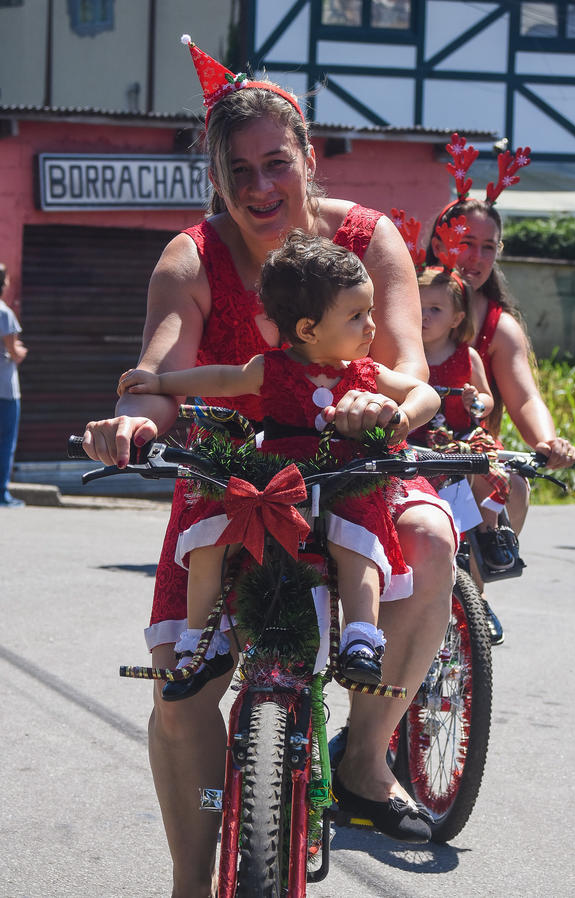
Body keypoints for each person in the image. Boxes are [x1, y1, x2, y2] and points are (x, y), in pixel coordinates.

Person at [83, 38, 457, 895]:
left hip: (353, 461)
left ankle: (364, 760)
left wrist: (384, 412)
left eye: (276, 164)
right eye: (238, 170)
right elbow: (159, 379)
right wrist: (129, 426)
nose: (259, 188)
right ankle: (190, 879)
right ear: (215, 175)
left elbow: (409, 373)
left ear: (309, 159)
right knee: (181, 695)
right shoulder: (192, 257)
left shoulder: (370, 241)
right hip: (233, 475)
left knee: (430, 538)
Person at [119, 230, 441, 696]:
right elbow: (219, 377)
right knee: (209, 532)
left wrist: (403, 416)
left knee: (358, 537)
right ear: (308, 329)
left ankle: (360, 640)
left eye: (370, 312)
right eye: (357, 316)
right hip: (279, 481)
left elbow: (424, 392)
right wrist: (159, 381)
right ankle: (199, 645)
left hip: (343, 478)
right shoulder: (270, 368)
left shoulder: (367, 373)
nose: (372, 327)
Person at [425, 136, 575, 642]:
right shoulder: (404, 303)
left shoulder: (498, 326)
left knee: (512, 485)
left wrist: (548, 442)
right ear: (439, 240)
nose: (475, 256)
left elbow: (524, 396)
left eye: (488, 247)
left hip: (467, 459)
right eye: (465, 242)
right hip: (404, 451)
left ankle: (473, 596)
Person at [413, 266, 515, 571]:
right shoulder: (406, 355)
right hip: (420, 439)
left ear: (457, 318)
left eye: (435, 309)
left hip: (461, 435)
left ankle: (488, 532)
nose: (424, 316)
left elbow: (487, 397)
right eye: (417, 308)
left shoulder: (466, 357)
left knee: (485, 464)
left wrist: (476, 402)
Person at [0, 263, 28, 508]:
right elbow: (12, 351)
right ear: (4, 283)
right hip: (5, 390)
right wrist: (20, 351)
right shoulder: (4, 313)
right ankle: (2, 494)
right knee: (5, 442)